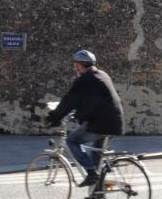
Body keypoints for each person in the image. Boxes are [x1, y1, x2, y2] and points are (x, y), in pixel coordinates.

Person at [44, 49, 125, 188]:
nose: (75, 68)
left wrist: (53, 118)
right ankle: (98, 191)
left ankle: (92, 174)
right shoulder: (102, 75)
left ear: (79, 65)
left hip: (102, 123)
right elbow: (94, 101)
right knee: (96, 155)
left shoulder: (84, 80)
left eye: (75, 65)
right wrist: (79, 114)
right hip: (116, 122)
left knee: (72, 140)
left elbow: (68, 102)